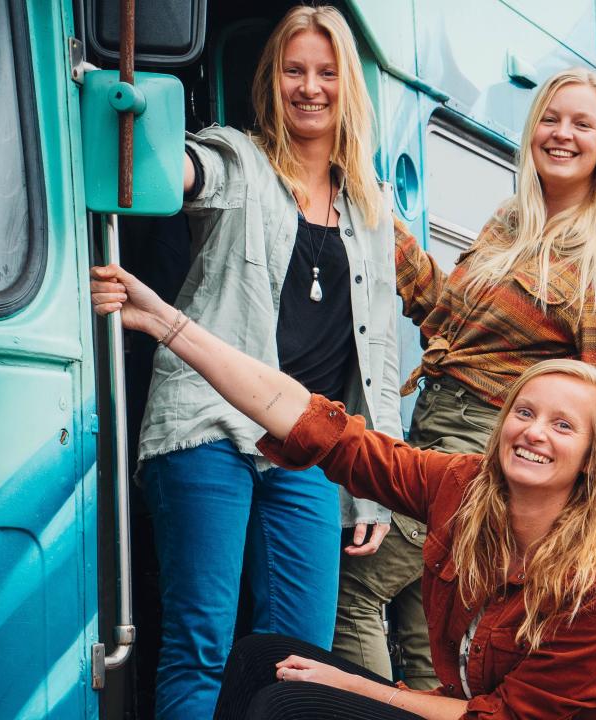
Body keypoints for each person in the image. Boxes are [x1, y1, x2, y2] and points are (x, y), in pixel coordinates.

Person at [88, 263, 596, 718]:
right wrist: (168, 324)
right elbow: (317, 427)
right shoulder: (464, 488)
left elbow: (497, 716)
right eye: (524, 412)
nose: (533, 432)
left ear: (589, 458)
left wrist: (356, 688)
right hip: (457, 709)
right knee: (262, 657)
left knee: (290, 700)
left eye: (562, 425)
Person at [345, 66, 596, 689]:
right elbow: (442, 314)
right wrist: (379, 215)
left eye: (581, 123)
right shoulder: (511, 223)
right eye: (550, 118)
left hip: (494, 449)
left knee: (352, 590)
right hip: (433, 425)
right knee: (426, 623)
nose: (561, 134)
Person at [133, 6, 402, 717]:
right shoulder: (242, 159)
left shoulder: (372, 208)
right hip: (208, 427)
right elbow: (193, 171)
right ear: (271, 80)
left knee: (300, 660)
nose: (309, 88)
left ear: (348, 87)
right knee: (201, 645)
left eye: (325, 73)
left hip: (306, 445)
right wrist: (157, 141)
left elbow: (379, 355)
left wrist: (373, 488)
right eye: (293, 71)